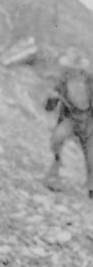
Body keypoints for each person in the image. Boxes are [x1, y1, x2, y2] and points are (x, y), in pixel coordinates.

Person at [44, 46, 93, 199]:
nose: (70, 71)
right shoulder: (62, 83)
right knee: (56, 139)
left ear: (80, 70)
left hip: (89, 121)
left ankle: (91, 185)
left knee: (91, 156)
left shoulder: (90, 82)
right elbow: (49, 108)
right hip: (70, 120)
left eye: (73, 68)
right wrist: (51, 98)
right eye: (69, 68)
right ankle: (55, 169)